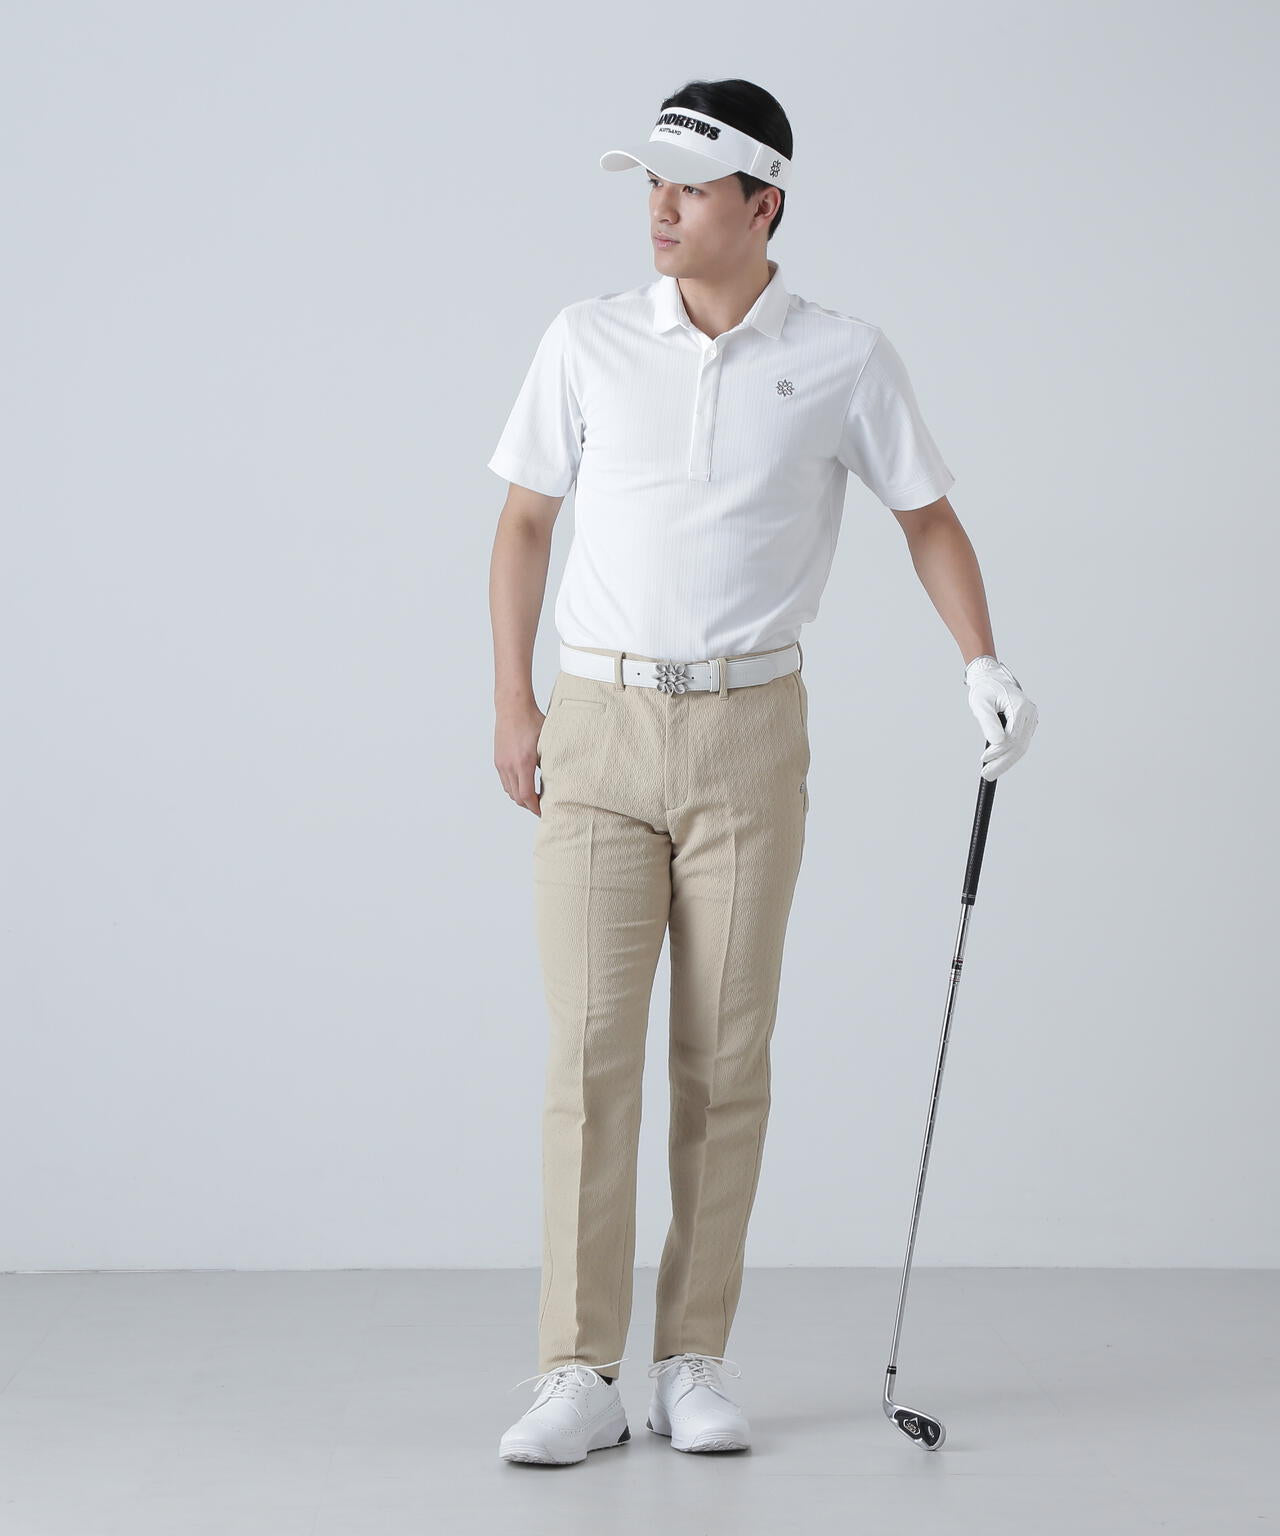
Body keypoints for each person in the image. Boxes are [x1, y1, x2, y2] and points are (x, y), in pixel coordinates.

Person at [486, 78, 1039, 1467]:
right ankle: (576, 1372)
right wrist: (513, 703)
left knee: (724, 1060)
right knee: (590, 1059)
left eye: (691, 184)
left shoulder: (843, 356)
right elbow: (524, 524)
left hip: (749, 734)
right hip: (597, 726)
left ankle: (692, 1357)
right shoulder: (586, 338)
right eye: (651, 183)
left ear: (764, 202)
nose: (661, 208)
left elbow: (928, 517)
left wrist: (981, 660)